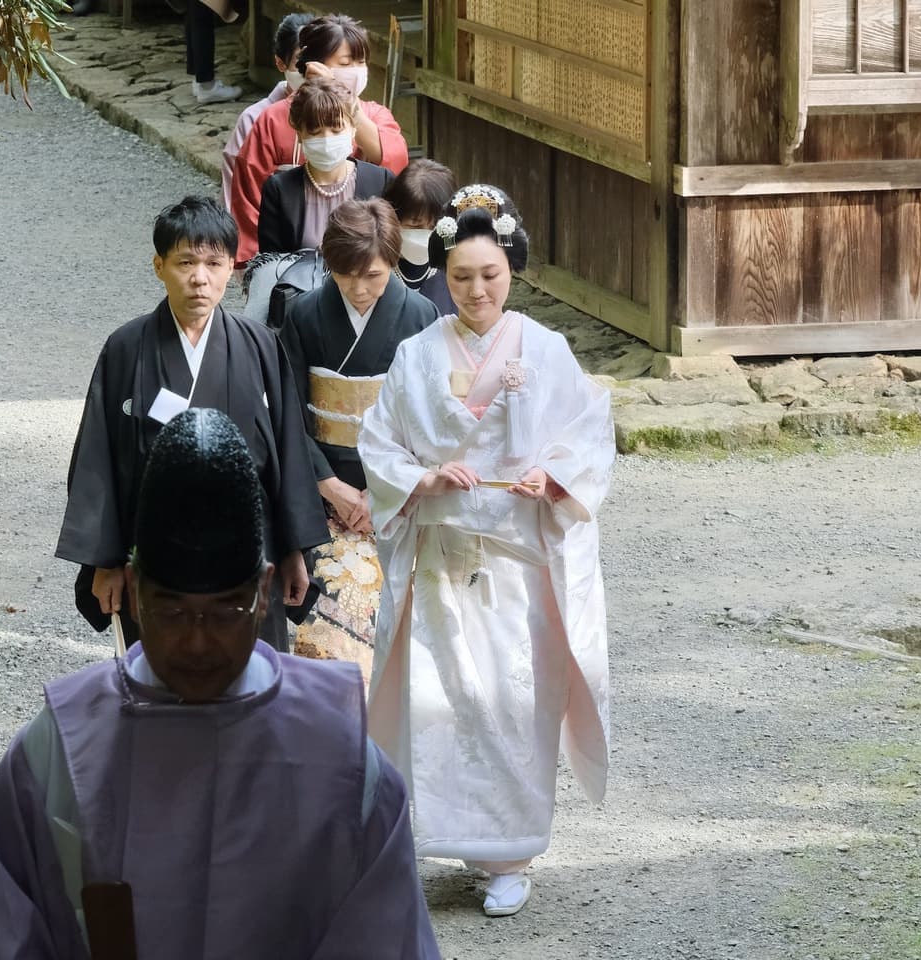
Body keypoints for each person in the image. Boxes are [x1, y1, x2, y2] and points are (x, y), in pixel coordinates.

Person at [0, 409, 442, 960]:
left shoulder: (344, 757)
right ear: (134, 592)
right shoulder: (58, 749)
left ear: (264, 591)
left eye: (226, 611)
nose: (198, 644)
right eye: (173, 611)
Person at [358, 184, 616, 919]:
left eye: (491, 276)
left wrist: (553, 474)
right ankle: (444, 840)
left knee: (513, 705)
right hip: (443, 558)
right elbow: (379, 440)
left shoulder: (546, 349)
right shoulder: (415, 354)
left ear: (512, 271)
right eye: (462, 276)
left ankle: (511, 856)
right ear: (443, 273)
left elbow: (589, 431)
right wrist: (424, 477)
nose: (476, 291)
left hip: (516, 563)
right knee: (439, 704)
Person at [55, 196, 327, 653]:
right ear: (159, 266)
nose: (200, 277)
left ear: (232, 268)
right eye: (185, 262)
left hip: (250, 555)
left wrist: (295, 551)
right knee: (163, 679)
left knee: (251, 678)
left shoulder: (260, 346)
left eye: (213, 263)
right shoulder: (126, 348)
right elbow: (98, 458)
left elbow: (290, 453)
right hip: (155, 555)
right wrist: (104, 561)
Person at [277, 200, 436, 676]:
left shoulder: (421, 315)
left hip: (398, 493)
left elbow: (430, 421)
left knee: (409, 632)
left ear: (393, 262)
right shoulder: (304, 314)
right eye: (346, 275)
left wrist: (383, 490)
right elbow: (288, 416)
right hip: (324, 493)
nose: (360, 288)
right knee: (326, 633)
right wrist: (330, 486)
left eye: (373, 275)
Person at [230, 14, 409, 265]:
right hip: (291, 264)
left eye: (361, 62)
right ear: (315, 64)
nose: (356, 70)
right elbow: (249, 195)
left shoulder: (374, 114)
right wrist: (255, 266)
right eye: (346, 63)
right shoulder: (274, 119)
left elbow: (395, 162)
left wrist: (346, 103)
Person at [257, 78, 393, 258]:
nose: (327, 139)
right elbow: (270, 262)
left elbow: (392, 252)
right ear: (299, 134)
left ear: (353, 128)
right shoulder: (279, 189)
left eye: (336, 129)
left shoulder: (380, 181)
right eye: (315, 132)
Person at [221, 12, 312, 204]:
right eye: (301, 60)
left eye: (319, 58)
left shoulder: (347, 114)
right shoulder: (254, 119)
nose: (311, 69)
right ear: (281, 63)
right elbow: (238, 197)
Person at [381, 160, 457, 316]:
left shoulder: (457, 267)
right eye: (415, 226)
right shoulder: (375, 267)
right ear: (393, 217)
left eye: (435, 226)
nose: (427, 235)